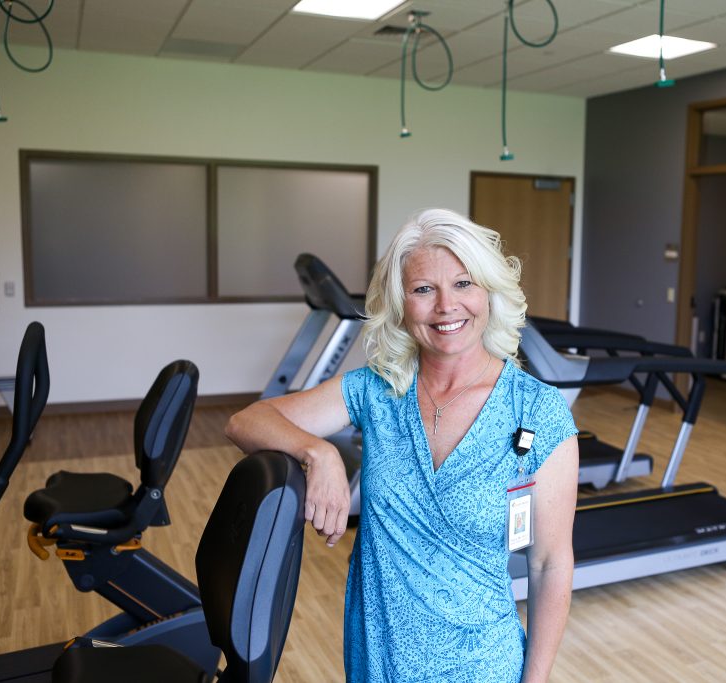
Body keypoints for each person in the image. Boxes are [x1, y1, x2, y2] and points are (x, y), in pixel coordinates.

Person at [225, 208, 579, 683]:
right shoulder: (378, 390)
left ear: (489, 294)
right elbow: (246, 421)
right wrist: (319, 453)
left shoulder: (539, 412)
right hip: (378, 658)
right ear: (400, 303)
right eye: (423, 289)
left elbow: (550, 564)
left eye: (463, 284)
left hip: (481, 663)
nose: (446, 307)